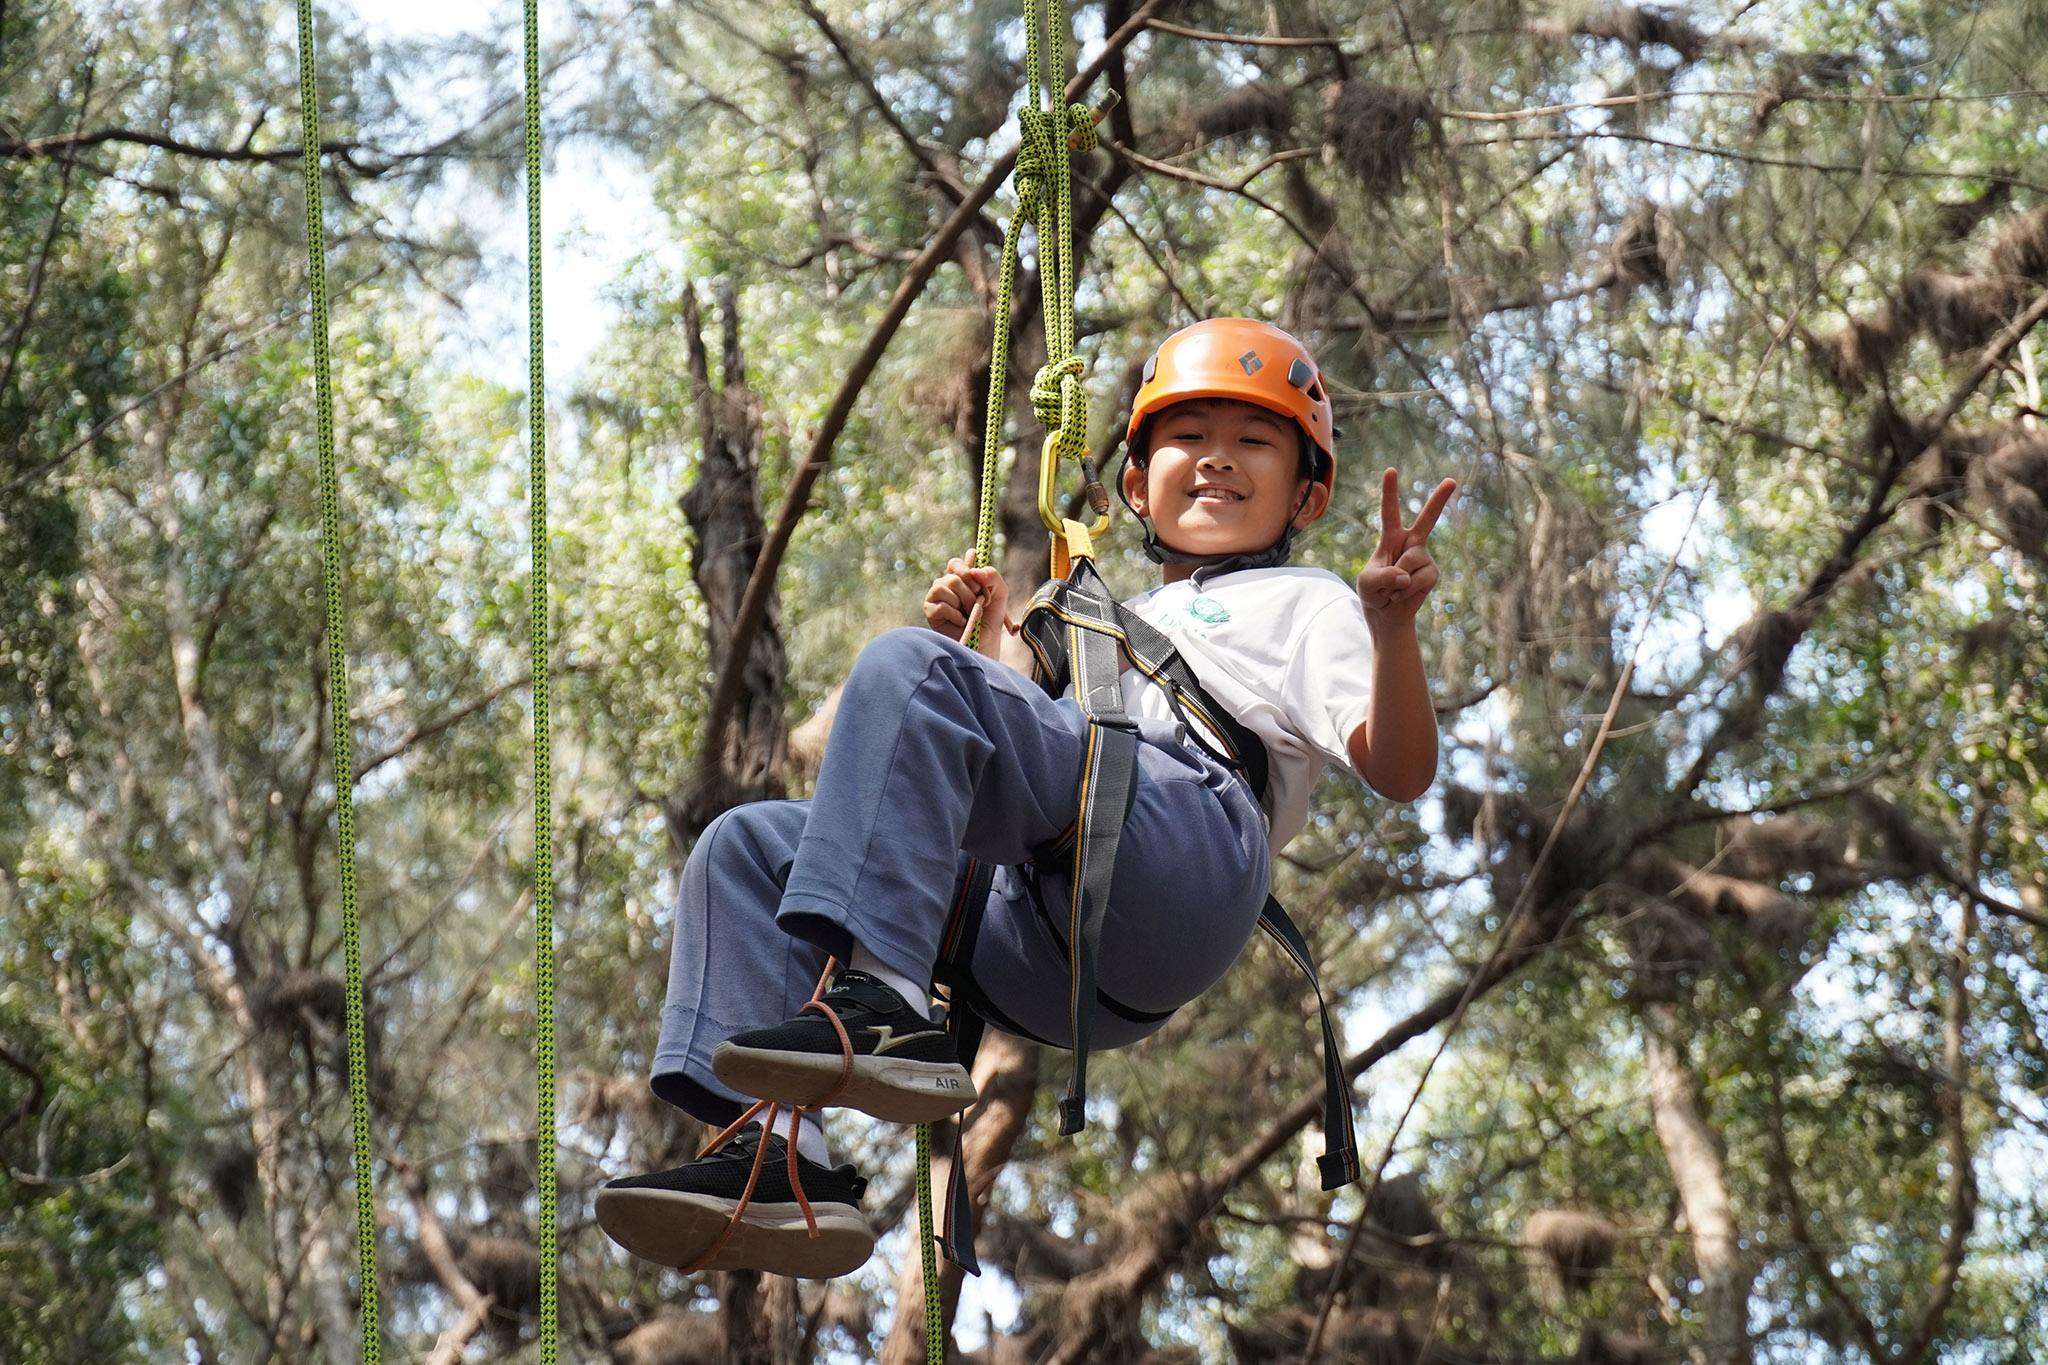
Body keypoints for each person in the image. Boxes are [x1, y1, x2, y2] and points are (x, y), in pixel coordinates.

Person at [595, 317, 1458, 1280]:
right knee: (746, 847)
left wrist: (1390, 631)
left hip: (1187, 854)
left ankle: (882, 1002)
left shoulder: (1308, 603)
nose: (1217, 461)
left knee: (904, 670)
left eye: (1253, 441)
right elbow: (1013, 753)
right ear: (1137, 483)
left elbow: (1399, 767)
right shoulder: (1113, 624)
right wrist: (992, 648)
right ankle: (783, 1157)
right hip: (1050, 934)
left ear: (1307, 489)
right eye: (1189, 438)